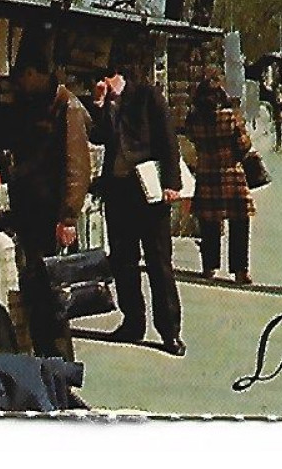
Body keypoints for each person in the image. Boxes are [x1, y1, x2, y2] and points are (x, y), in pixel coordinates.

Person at [90, 70, 186, 356]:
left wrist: (172, 183)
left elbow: (169, 140)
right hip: (119, 191)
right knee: (123, 261)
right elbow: (100, 137)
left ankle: (170, 331)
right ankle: (133, 322)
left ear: (118, 78)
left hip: (149, 191)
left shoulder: (147, 97)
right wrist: (99, 106)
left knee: (159, 262)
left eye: (107, 80)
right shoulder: (107, 104)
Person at [4, 71, 92, 360]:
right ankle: (48, 359)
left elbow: (76, 166)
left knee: (53, 295)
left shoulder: (68, 109)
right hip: (34, 211)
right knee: (40, 292)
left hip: (50, 215)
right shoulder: (42, 105)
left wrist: (68, 217)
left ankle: (60, 366)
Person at [185, 69, 255, 285]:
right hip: (232, 175)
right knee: (239, 223)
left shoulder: (194, 119)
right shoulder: (230, 118)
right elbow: (244, 145)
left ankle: (209, 266)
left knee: (209, 223)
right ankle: (240, 271)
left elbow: (191, 139)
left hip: (207, 174)